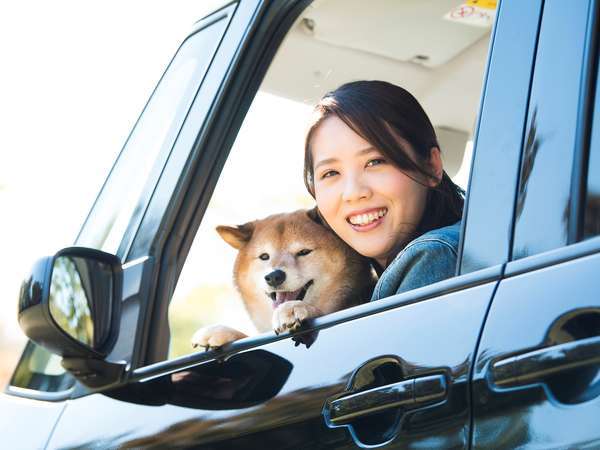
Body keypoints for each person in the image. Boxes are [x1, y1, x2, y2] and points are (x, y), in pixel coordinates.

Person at [303, 80, 464, 301]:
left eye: (375, 161)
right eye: (330, 173)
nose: (353, 192)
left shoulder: (434, 255)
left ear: (431, 166)